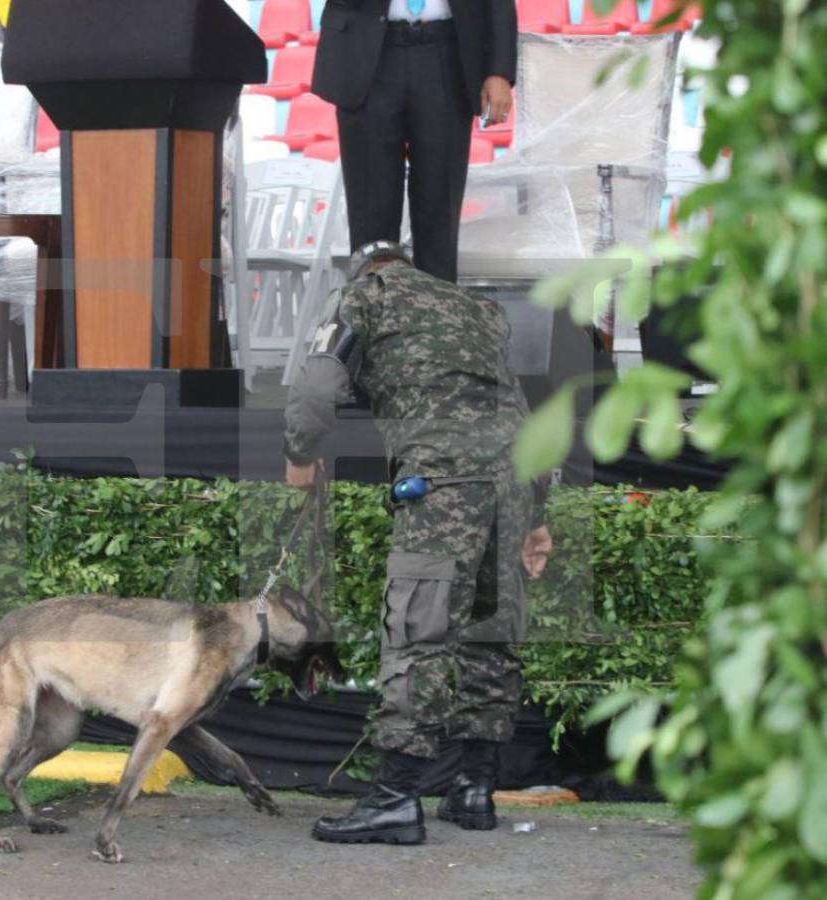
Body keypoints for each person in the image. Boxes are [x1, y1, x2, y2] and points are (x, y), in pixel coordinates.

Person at [283, 240, 553, 845]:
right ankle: (474, 789)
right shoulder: (478, 311)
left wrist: (300, 454)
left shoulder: (364, 297)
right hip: (510, 483)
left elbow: (315, 389)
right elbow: (517, 403)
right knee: (492, 635)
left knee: (416, 632)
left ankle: (395, 799)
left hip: (441, 482)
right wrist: (537, 512)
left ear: (366, 271)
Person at [310, 0, 517, 283]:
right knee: (372, 219)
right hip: (365, 55)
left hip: (447, 53)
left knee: (439, 213)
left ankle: (437, 321)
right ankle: (375, 320)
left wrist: (499, 70)